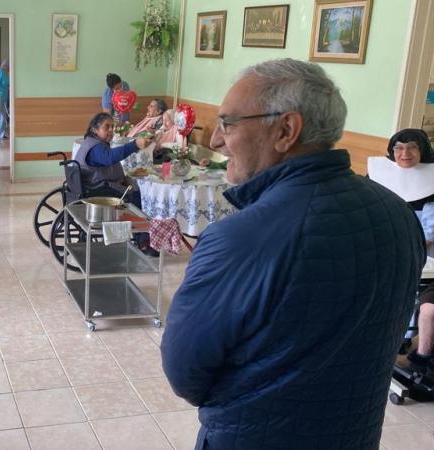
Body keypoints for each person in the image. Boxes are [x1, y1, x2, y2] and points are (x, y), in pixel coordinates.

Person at [160, 58, 425, 449]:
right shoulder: (398, 215)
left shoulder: (239, 239)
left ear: (286, 130)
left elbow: (185, 373)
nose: (215, 140)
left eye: (228, 123)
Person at [367, 128, 434, 373]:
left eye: (412, 147)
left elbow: (429, 231)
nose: (405, 153)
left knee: (412, 288)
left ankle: (404, 338)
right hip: (385, 243)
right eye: (398, 148)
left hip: (424, 250)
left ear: (423, 150)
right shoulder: (378, 176)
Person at [73, 112, 152, 203]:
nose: (111, 130)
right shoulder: (95, 147)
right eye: (106, 126)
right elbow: (109, 157)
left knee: (136, 187)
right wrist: (134, 145)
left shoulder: (91, 142)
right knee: (141, 196)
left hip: (98, 185)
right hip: (98, 190)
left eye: (112, 126)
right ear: (95, 130)